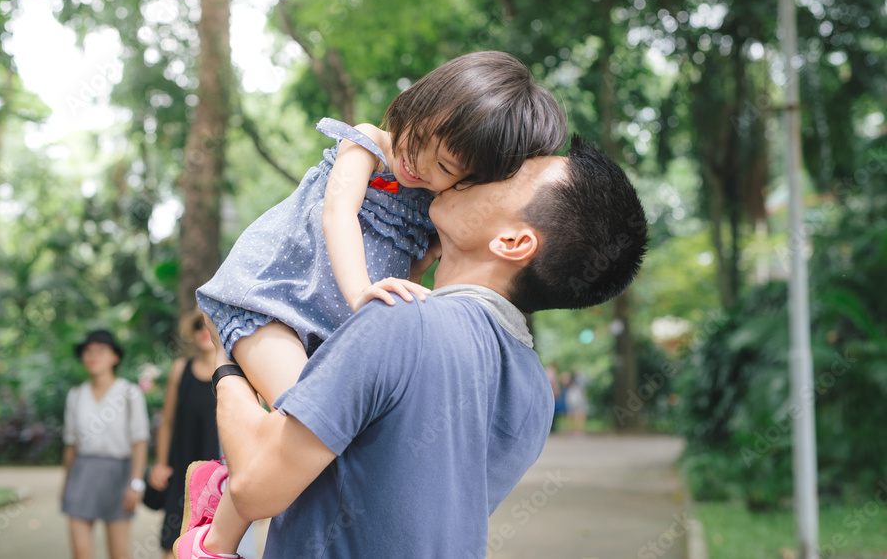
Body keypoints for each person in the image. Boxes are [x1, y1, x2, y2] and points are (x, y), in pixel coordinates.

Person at [178, 51, 568, 558]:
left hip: (331, 328)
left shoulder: (432, 204)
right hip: (272, 299)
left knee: (316, 435)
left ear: (470, 180)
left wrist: (411, 280)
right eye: (420, 137)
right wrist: (361, 288)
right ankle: (211, 543)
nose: (418, 163)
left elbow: (400, 284)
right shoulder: (369, 146)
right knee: (307, 413)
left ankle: (219, 488)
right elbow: (337, 215)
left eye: (445, 166)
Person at [197, 134, 649, 556]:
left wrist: (227, 360)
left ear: (513, 242)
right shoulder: (534, 393)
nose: (478, 171)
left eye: (509, 174)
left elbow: (256, 486)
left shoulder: (400, 322)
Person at [148, 312, 253, 559]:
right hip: (182, 468)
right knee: (172, 541)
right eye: (198, 325)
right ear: (192, 333)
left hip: (219, 473)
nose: (205, 329)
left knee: (215, 545)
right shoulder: (180, 370)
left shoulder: (238, 371)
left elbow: (251, 425)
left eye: (212, 324)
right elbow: (168, 422)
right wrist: (161, 464)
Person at [62, 329, 150, 559]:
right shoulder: (76, 395)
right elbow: (71, 444)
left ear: (115, 357)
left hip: (118, 473)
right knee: (81, 553)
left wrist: (136, 483)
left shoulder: (130, 393)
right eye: (88, 352)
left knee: (119, 553)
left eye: (100, 351)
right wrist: (66, 483)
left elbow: (139, 440)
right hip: (82, 474)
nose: (93, 356)